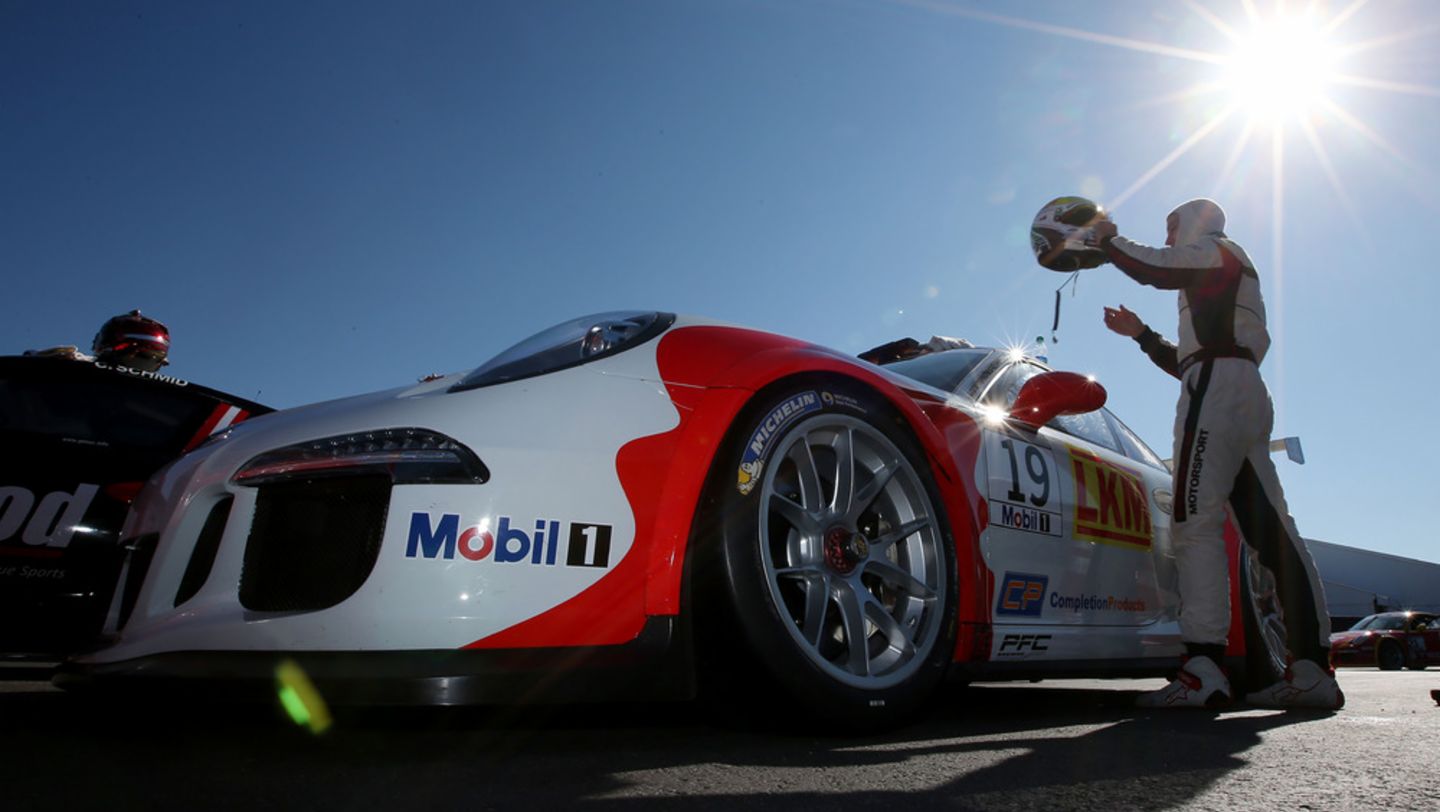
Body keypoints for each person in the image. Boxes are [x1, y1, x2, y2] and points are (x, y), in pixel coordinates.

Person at [1093, 198, 1343, 709]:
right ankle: (1313, 670)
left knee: (1194, 524)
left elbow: (1152, 269)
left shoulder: (1214, 250)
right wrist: (1141, 335)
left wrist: (1105, 240)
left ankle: (1203, 667)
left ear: (1196, 224)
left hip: (1217, 392)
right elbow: (1190, 360)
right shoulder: (1219, 280)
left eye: (1171, 228)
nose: (1167, 239)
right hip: (1237, 387)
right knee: (1272, 533)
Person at [23, 309, 171, 372]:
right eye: (141, 357)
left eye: (150, 359)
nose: (136, 370)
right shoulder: (64, 372)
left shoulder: (160, 399)